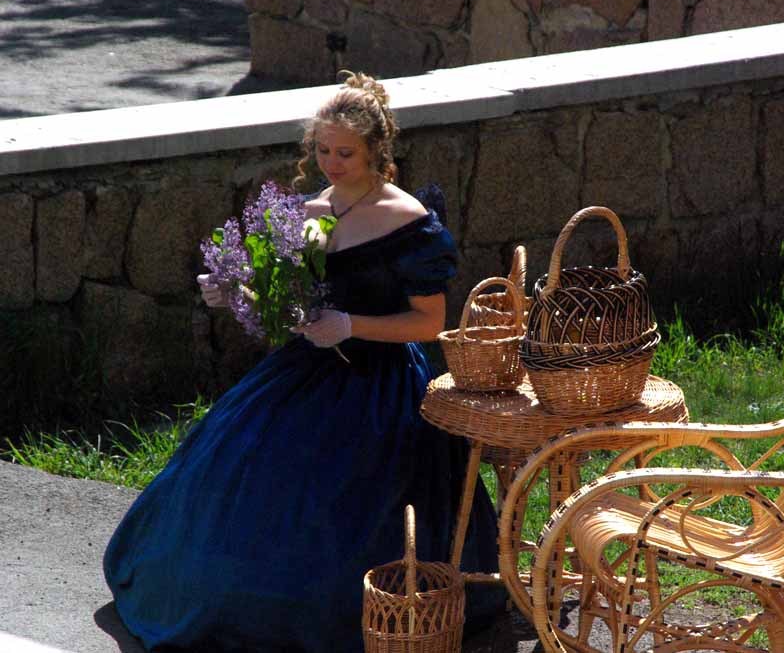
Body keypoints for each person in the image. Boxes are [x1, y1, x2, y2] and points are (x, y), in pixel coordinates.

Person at [103, 71, 501, 652]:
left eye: (345, 153)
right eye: (322, 150)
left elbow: (430, 322)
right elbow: (287, 304)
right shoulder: (306, 212)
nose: (331, 163)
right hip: (304, 373)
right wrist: (234, 290)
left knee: (341, 515)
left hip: (381, 388)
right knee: (240, 483)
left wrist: (352, 325)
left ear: (376, 150)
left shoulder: (408, 220)